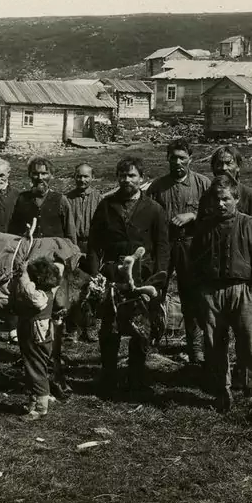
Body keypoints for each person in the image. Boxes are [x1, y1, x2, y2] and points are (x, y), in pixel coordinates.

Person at [191, 175, 252, 420]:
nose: (221, 204)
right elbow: (194, 261)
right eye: (216, 199)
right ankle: (222, 392)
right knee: (215, 344)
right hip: (211, 293)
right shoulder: (204, 227)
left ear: (236, 199)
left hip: (242, 291)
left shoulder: (250, 226)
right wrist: (201, 291)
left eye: (226, 198)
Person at [88, 156, 169, 397]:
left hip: (143, 277)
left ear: (141, 179)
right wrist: (94, 276)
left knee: (140, 327)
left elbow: (163, 247)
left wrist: (160, 279)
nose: (127, 180)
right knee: (110, 328)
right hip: (113, 274)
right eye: (122, 176)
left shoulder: (154, 209)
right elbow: (94, 244)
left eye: (132, 176)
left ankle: (136, 378)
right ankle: (109, 377)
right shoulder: (106, 206)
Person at [8, 156, 77, 398]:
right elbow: (13, 235)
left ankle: (57, 373)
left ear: (51, 175)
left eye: (45, 173)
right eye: (36, 174)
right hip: (30, 268)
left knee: (56, 317)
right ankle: (33, 378)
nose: (40, 178)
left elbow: (70, 238)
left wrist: (66, 265)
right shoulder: (22, 200)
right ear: (30, 176)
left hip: (55, 269)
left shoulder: (61, 201)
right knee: (31, 317)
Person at [147, 139, 213, 368]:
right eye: (173, 157)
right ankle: (151, 343)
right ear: (167, 159)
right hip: (164, 247)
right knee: (156, 293)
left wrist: (193, 215)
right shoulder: (157, 187)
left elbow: (215, 214)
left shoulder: (203, 184)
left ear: (190, 159)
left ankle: (195, 348)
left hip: (191, 246)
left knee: (192, 296)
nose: (177, 162)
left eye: (182, 158)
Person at [12, 257, 64, 422]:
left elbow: (28, 291)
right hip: (31, 334)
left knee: (36, 367)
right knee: (31, 365)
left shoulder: (40, 295)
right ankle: (33, 402)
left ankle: (41, 408)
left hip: (35, 335)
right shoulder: (48, 290)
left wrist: (24, 274)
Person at [65, 163, 101, 343]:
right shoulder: (67, 199)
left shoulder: (99, 199)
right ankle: (73, 328)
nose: (82, 180)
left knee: (93, 286)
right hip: (73, 245)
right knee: (73, 286)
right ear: (74, 177)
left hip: (93, 246)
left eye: (86, 176)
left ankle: (91, 326)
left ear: (92, 177)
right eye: (79, 176)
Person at [0, 157, 21, 343]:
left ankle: (12, 328)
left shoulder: (17, 195)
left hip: (12, 247)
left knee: (12, 288)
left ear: (8, 174)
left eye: (1, 175)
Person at [202, 146, 252, 227]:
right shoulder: (207, 196)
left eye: (228, 163)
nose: (223, 168)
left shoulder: (250, 196)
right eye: (219, 164)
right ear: (213, 167)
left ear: (238, 167)